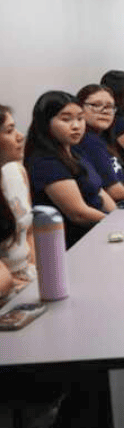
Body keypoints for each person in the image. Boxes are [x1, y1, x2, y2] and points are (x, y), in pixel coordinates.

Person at [25, 91, 116, 247]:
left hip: (101, 230)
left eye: (80, 118)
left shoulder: (74, 151)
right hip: (76, 243)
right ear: (46, 123)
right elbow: (79, 214)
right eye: (66, 119)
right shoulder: (46, 163)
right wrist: (115, 222)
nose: (76, 126)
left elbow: (99, 191)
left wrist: (117, 216)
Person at [0, 104, 36, 304]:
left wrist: (37, 272)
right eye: (9, 131)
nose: (20, 136)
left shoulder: (16, 171)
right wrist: (17, 284)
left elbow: (29, 231)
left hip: (26, 276)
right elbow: (3, 282)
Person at [76, 85, 124, 203]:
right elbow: (115, 191)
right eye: (95, 105)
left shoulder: (100, 138)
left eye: (110, 106)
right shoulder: (89, 142)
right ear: (79, 108)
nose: (105, 111)